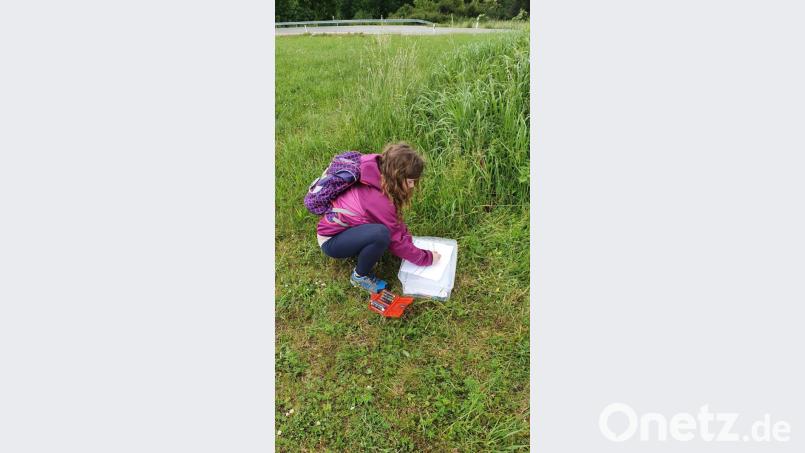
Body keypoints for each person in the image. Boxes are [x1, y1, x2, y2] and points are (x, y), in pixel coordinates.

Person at [317, 142, 441, 293]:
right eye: (410, 181)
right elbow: (395, 241)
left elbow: (394, 221)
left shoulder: (376, 170)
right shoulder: (379, 200)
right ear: (397, 176)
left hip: (344, 230)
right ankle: (360, 277)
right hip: (331, 241)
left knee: (382, 231)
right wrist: (427, 258)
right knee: (381, 234)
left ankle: (363, 246)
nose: (412, 186)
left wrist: (408, 240)